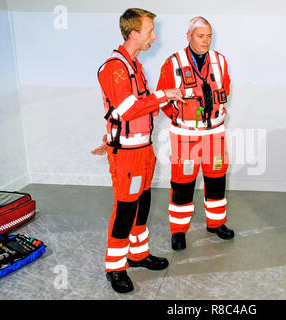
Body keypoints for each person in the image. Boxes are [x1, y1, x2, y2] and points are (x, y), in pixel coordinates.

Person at [95, 8, 184, 293]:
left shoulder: (135, 65)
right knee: (125, 210)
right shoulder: (115, 67)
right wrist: (164, 95)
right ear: (134, 34)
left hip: (144, 150)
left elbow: (132, 106)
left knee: (142, 204)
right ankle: (115, 268)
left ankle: (138, 254)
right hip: (128, 156)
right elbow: (128, 108)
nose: (154, 37)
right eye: (150, 32)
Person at [156, 17, 234, 251]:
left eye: (209, 36)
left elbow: (225, 88)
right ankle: (178, 231)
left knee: (217, 180)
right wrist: (181, 117)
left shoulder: (220, 61)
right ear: (188, 36)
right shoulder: (173, 63)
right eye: (201, 36)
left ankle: (216, 223)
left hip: (215, 134)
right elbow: (163, 97)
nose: (206, 41)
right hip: (186, 136)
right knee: (183, 182)